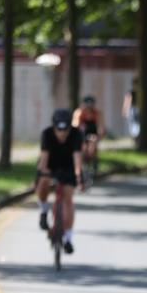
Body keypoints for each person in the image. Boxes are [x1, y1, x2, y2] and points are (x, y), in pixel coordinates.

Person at [36, 109, 84, 254]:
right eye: (59, 130)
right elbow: (44, 159)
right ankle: (44, 210)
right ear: (54, 127)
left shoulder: (76, 134)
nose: (62, 133)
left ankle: (68, 238)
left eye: (66, 130)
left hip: (68, 167)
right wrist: (42, 172)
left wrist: (78, 175)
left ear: (70, 127)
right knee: (43, 181)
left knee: (68, 199)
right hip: (51, 165)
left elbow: (77, 159)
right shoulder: (47, 134)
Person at [72, 95, 105, 177]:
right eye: (87, 106)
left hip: (93, 133)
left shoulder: (97, 113)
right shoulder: (79, 113)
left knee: (93, 146)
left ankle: (94, 163)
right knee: (82, 147)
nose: (89, 109)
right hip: (82, 133)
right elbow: (75, 127)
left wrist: (98, 137)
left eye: (91, 106)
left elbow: (100, 127)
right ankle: (81, 165)